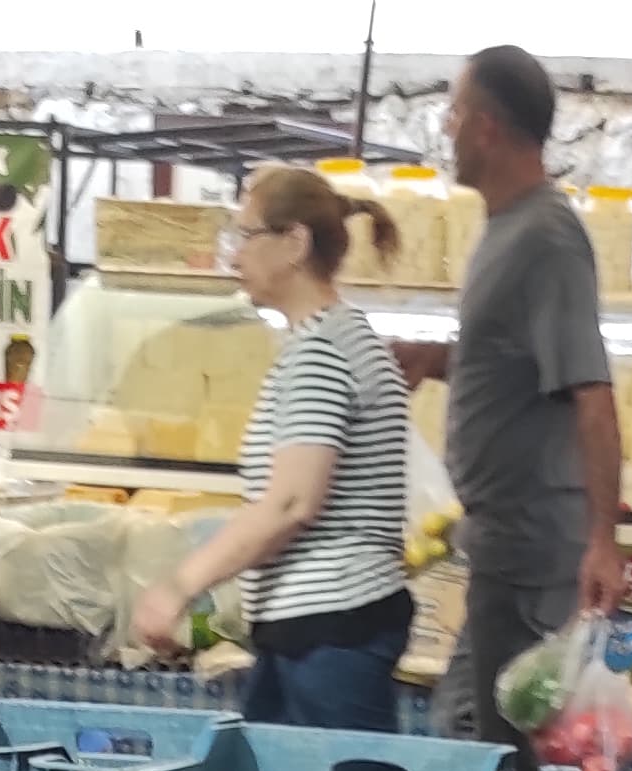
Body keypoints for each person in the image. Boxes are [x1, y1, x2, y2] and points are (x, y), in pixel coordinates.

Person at [129, 169, 418, 731]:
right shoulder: (339, 339)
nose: (233, 258)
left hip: (331, 630)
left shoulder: (321, 353)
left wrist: (180, 585)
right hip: (320, 628)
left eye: (244, 236)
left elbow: (290, 504)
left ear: (295, 243)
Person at [413, 47, 623, 749]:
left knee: (501, 753)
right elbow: (514, 360)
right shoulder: (505, 229)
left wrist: (602, 542)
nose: (445, 129)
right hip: (501, 546)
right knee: (468, 729)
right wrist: (434, 360)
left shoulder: (547, 237)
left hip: (532, 556)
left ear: (486, 126)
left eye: (453, 111)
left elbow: (592, 393)